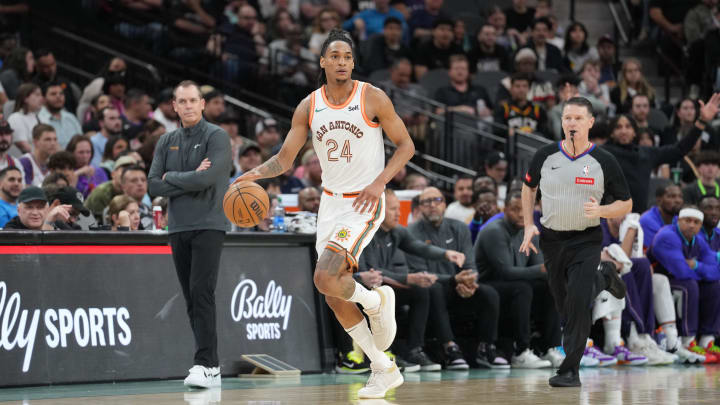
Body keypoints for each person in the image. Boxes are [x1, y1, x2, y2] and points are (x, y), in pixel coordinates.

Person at [232, 29, 415, 398]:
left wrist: (379, 184)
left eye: (347, 56)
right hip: (331, 203)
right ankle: (382, 366)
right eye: (335, 56)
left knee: (326, 274)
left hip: (364, 201)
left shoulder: (372, 97)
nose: (342, 62)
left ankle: (376, 302)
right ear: (323, 61)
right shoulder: (309, 106)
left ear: (353, 62)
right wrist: (250, 174)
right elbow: (285, 159)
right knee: (330, 291)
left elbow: (407, 146)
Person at [520, 97, 632, 387]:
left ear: (590, 122)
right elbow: (528, 187)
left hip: (586, 239)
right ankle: (606, 277)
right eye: (567, 118)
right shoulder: (545, 155)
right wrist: (529, 224)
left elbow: (626, 203)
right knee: (565, 305)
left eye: (578, 118)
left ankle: (570, 370)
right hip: (552, 239)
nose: (572, 123)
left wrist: (602, 211)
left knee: (579, 303)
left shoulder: (604, 160)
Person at [148, 80, 233, 388]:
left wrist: (175, 178)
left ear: (201, 104)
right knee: (190, 298)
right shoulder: (165, 140)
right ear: (174, 105)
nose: (187, 106)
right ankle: (207, 364)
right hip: (178, 226)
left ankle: (208, 364)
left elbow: (208, 179)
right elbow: (153, 185)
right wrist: (188, 177)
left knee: (201, 293)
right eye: (181, 101)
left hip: (209, 224)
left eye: (192, 100)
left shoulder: (217, 137)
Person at [406, 187, 508, 370]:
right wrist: (454, 280)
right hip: (434, 288)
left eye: (437, 200)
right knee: (433, 288)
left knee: (489, 293)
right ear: (420, 208)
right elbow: (419, 273)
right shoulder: (412, 232)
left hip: (459, 286)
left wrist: (470, 282)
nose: (432, 206)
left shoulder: (459, 228)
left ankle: (486, 348)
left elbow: (470, 265)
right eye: (426, 202)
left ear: (445, 204)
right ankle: (449, 348)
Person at [475, 191, 562, 368]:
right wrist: (542, 269)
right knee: (523, 288)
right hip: (488, 284)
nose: (522, 214)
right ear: (505, 210)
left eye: (525, 209)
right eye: (515, 209)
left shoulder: (530, 231)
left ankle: (549, 348)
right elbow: (505, 272)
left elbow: (540, 269)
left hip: (516, 283)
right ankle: (521, 351)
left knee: (551, 286)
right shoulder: (494, 231)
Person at [602, 96, 720, 213]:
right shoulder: (603, 153)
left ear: (634, 132)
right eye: (618, 127)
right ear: (612, 133)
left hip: (638, 217)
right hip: (609, 217)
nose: (623, 131)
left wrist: (702, 121)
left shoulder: (647, 153)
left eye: (628, 127)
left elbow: (679, 150)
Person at [648, 205, 720, 362]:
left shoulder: (698, 240)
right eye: (687, 221)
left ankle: (707, 340)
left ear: (700, 225)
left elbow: (715, 271)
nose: (692, 225)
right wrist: (700, 270)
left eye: (696, 222)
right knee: (690, 285)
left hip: (682, 280)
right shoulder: (667, 236)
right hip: (658, 282)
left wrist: (695, 265)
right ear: (678, 221)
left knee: (715, 285)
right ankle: (688, 340)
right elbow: (681, 271)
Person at [84, 155, 136, 221]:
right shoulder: (101, 192)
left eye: (131, 170)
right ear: (113, 174)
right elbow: (100, 222)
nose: (127, 173)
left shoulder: (134, 189)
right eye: (124, 169)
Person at [1, 186, 72, 231]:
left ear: (47, 209)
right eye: (29, 207)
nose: (35, 212)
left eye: (40, 207)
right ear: (18, 210)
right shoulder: (10, 229)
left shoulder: (55, 223)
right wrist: (48, 225)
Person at [37, 81, 83, 149]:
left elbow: (81, 141)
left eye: (61, 94)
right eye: (53, 94)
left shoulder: (71, 117)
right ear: (43, 99)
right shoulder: (39, 119)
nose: (58, 96)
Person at [639, 182, 684, 247]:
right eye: (672, 196)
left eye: (680, 196)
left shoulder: (678, 219)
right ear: (659, 200)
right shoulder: (647, 221)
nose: (678, 200)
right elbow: (659, 250)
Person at [66, 134, 109, 198]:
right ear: (71, 153)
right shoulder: (66, 172)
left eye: (88, 152)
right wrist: (79, 172)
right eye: (81, 152)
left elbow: (107, 194)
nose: (85, 156)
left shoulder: (100, 172)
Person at [7, 82, 42, 157]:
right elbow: (24, 146)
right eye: (37, 95)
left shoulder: (38, 117)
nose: (41, 98)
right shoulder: (16, 118)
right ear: (25, 98)